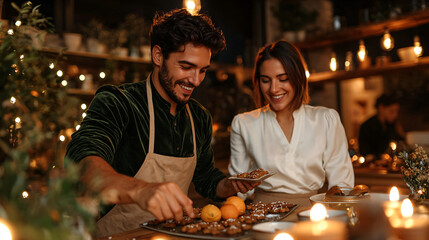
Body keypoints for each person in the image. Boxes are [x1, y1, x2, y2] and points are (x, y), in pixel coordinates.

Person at [65, 9, 258, 237]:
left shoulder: (199, 117)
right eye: (186, 67)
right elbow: (82, 163)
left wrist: (228, 185)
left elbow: (205, 177)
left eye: (202, 70)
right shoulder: (118, 103)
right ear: (158, 56)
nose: (195, 81)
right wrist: (140, 191)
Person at [228, 40, 354, 207]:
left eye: (283, 79)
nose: (274, 89)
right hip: (261, 215)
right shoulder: (244, 124)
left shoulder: (326, 119)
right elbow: (239, 186)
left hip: (312, 213)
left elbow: (342, 184)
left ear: (298, 78)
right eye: (266, 80)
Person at [358, 93, 405, 157]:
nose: (395, 115)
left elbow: (400, 144)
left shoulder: (392, 125)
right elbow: (365, 151)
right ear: (381, 108)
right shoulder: (367, 126)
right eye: (391, 111)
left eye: (397, 111)